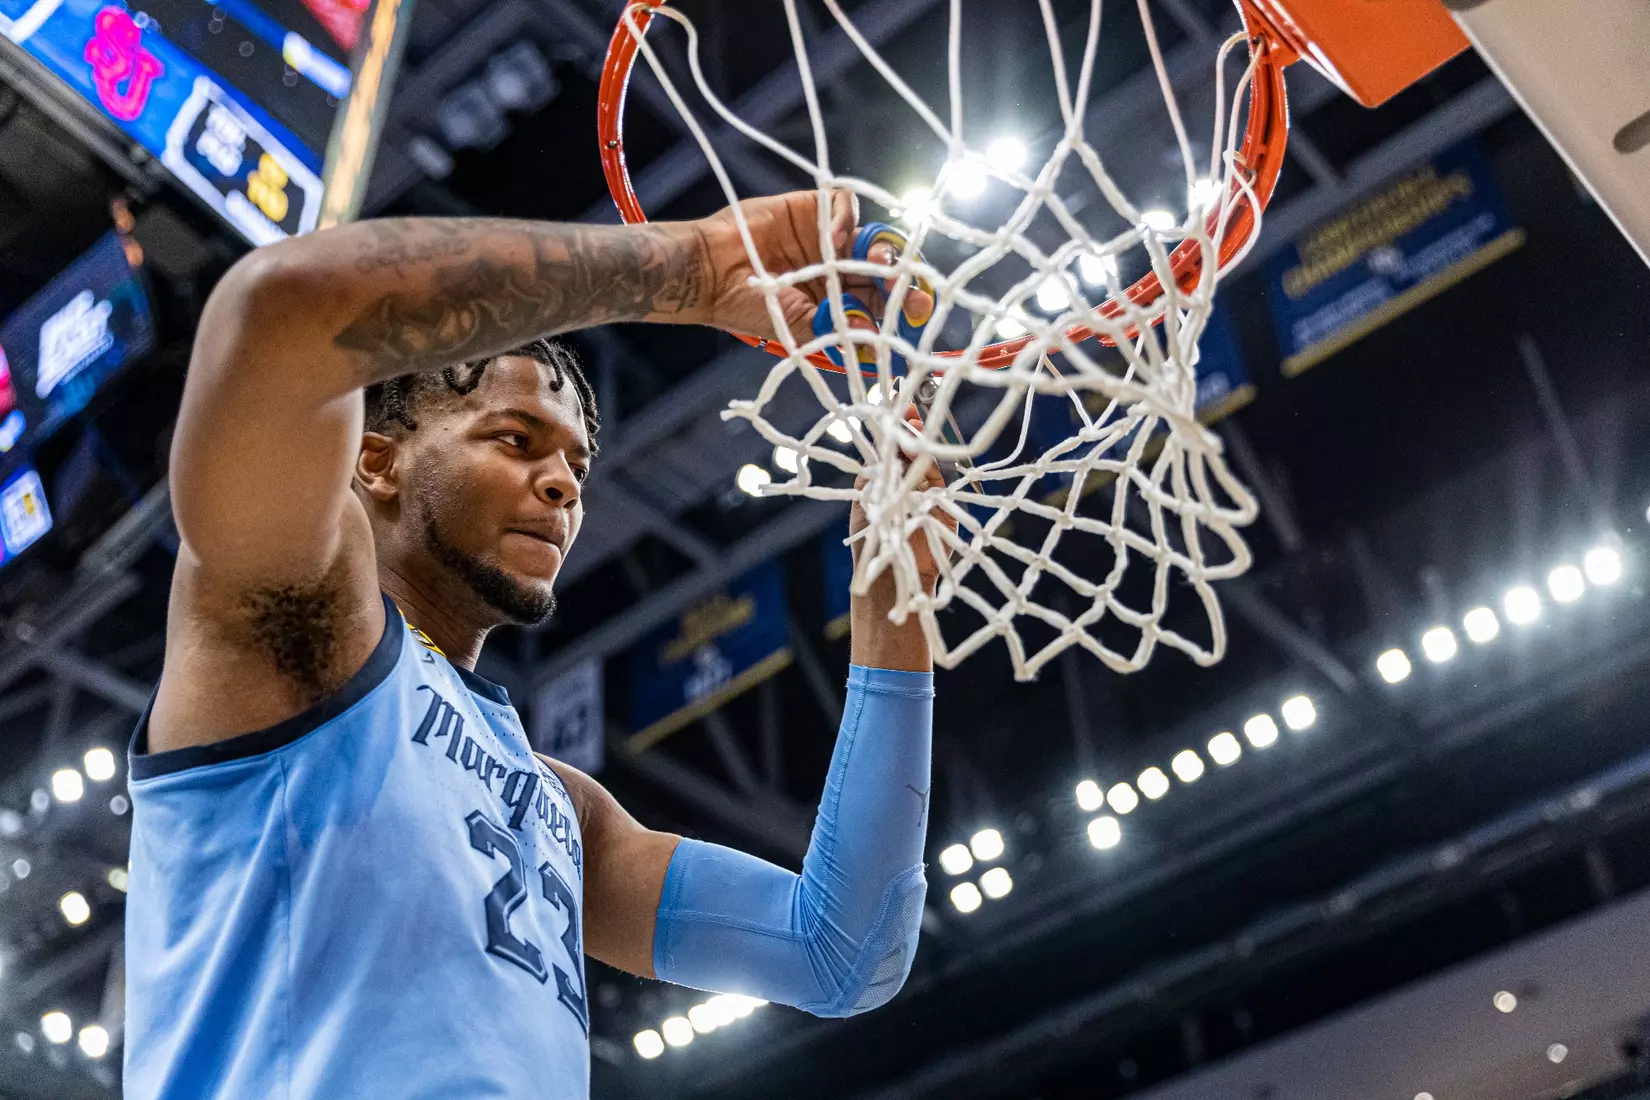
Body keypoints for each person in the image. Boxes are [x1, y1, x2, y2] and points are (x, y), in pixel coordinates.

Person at [123, 191, 950, 1099]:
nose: (560, 484)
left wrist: (892, 600)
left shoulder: (559, 808)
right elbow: (278, 308)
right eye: (515, 440)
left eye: (576, 466)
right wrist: (694, 267)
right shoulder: (302, 637)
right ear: (377, 460)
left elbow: (841, 951)